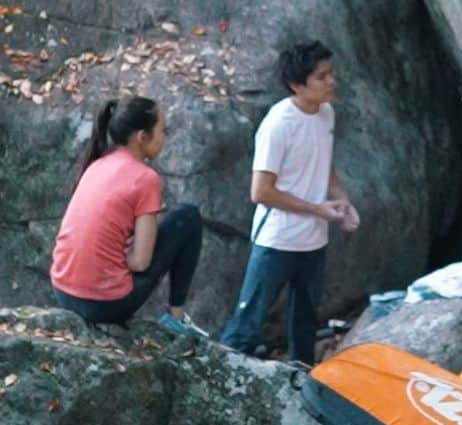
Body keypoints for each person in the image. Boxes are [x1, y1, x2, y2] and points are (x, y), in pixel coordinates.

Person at [220, 40, 359, 367]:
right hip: (278, 239)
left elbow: (322, 162)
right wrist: (316, 209)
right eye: (322, 77)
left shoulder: (326, 113)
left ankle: (302, 383)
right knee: (248, 320)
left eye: (331, 73)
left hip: (314, 238)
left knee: (305, 323)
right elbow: (261, 191)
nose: (331, 82)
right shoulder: (278, 124)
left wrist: (342, 200)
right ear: (297, 85)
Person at [50, 96, 204, 337]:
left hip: (62, 291)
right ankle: (177, 317)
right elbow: (140, 262)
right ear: (142, 137)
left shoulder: (97, 164)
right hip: (103, 305)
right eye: (163, 130)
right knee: (188, 217)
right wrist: (125, 254)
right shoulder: (146, 178)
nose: (166, 137)